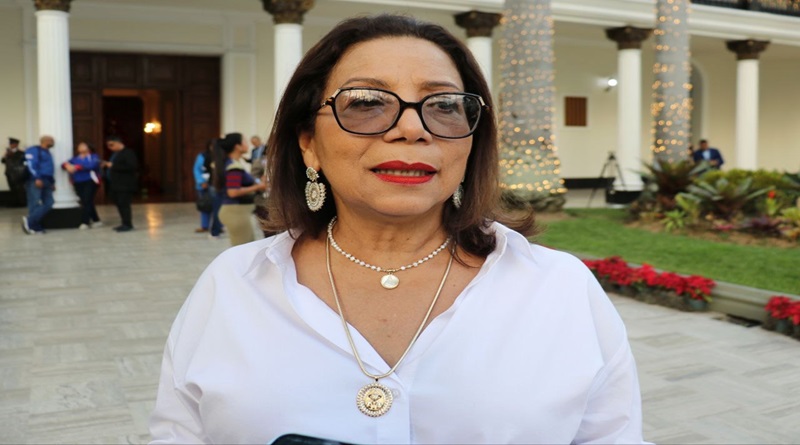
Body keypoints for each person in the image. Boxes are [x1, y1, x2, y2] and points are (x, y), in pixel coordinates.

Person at [150, 14, 647, 444]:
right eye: (367, 101)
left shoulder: (558, 288)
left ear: (471, 144)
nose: (412, 129)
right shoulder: (234, 284)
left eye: (445, 105)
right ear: (308, 142)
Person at [213, 132, 267, 246]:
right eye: (245, 141)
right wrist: (258, 187)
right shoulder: (234, 167)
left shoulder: (232, 163)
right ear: (238, 146)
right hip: (236, 212)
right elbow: (232, 192)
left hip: (237, 212)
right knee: (243, 249)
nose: (247, 144)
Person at [62, 142, 102, 229]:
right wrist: (67, 166)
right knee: (86, 201)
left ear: (88, 147)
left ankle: (85, 222)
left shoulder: (93, 156)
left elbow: (92, 165)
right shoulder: (75, 158)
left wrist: (76, 167)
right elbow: (64, 164)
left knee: (87, 200)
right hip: (78, 182)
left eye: (83, 146)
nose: (80, 147)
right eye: (79, 146)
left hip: (90, 181)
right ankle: (96, 220)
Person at [102, 135, 139, 232]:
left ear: (118, 143)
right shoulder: (115, 154)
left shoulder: (128, 153)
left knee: (124, 204)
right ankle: (124, 222)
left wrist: (113, 166)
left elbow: (131, 167)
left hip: (125, 185)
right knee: (119, 203)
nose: (110, 147)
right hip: (115, 184)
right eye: (108, 145)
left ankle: (128, 224)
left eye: (111, 145)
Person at [21, 135, 56, 234]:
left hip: (47, 181)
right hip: (35, 180)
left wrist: (52, 182)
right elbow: (31, 164)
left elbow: (49, 168)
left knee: (49, 202)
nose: (53, 142)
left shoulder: (48, 152)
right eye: (51, 140)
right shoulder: (34, 150)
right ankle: (33, 226)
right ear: (45, 141)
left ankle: (30, 220)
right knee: (35, 202)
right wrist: (37, 178)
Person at [192, 140, 215, 233]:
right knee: (205, 205)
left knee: (217, 206)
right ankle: (205, 226)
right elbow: (197, 169)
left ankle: (217, 226)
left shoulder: (220, 156)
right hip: (204, 185)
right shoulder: (202, 156)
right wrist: (201, 181)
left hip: (216, 185)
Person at [2, 137, 27, 207]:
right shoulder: (8, 153)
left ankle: (22, 203)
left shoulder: (21, 153)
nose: (11, 145)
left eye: (13, 144)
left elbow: (21, 162)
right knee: (12, 188)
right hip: (9, 173)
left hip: (18, 173)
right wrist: (5, 155)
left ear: (16, 144)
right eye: (10, 144)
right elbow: (3, 161)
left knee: (19, 189)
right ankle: (15, 203)